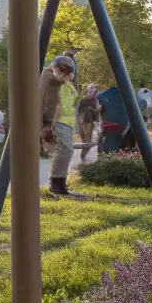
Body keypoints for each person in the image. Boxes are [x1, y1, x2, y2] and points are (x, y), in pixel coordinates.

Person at [41, 56, 82, 200]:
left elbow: (73, 102)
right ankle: (56, 184)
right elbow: (47, 101)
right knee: (65, 150)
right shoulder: (51, 79)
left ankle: (60, 184)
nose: (68, 76)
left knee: (66, 151)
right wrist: (47, 124)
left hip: (68, 122)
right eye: (65, 72)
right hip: (58, 121)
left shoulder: (67, 84)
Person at [76, 83, 101, 161]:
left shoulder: (96, 100)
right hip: (81, 122)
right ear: (87, 89)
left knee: (88, 142)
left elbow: (98, 110)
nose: (92, 89)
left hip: (90, 123)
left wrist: (94, 109)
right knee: (83, 142)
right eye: (90, 88)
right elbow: (78, 112)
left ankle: (83, 157)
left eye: (93, 88)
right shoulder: (82, 100)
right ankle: (84, 158)